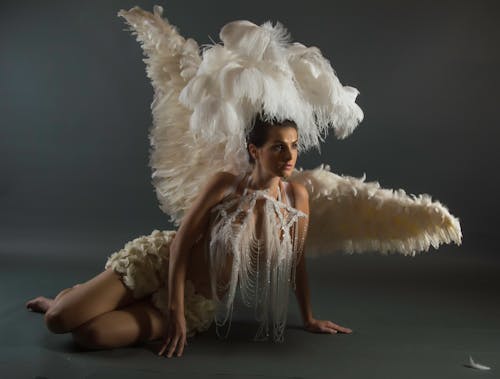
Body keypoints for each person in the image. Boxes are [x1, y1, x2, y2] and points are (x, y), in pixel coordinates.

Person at [26, 116, 353, 358]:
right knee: (57, 320)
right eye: (278, 147)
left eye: (294, 145)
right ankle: (65, 299)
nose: (289, 155)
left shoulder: (296, 197)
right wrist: (175, 311)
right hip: (160, 266)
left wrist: (309, 318)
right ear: (255, 150)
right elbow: (182, 241)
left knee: (90, 336)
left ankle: (84, 297)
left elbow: (296, 260)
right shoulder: (226, 184)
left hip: (197, 299)